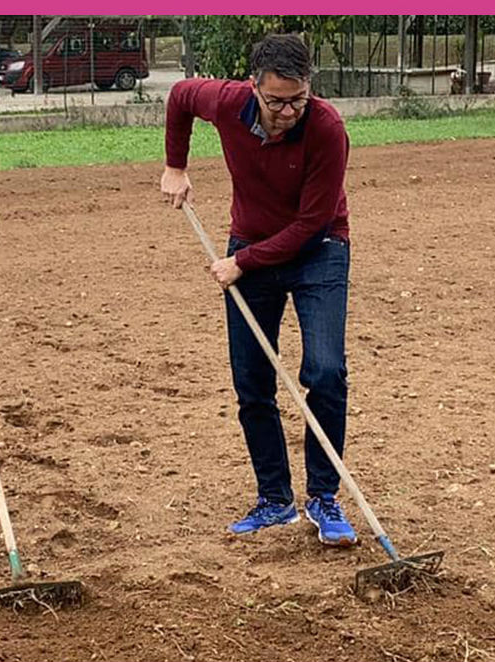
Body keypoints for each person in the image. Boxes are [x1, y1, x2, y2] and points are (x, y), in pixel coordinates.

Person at [161, 35, 356, 546]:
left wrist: (240, 263)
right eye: (276, 101)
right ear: (254, 88)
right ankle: (275, 500)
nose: (288, 111)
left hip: (319, 250)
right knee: (252, 382)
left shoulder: (328, 128)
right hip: (250, 244)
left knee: (326, 372)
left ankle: (324, 497)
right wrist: (175, 165)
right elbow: (180, 96)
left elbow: (313, 223)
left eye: (298, 99)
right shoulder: (228, 102)